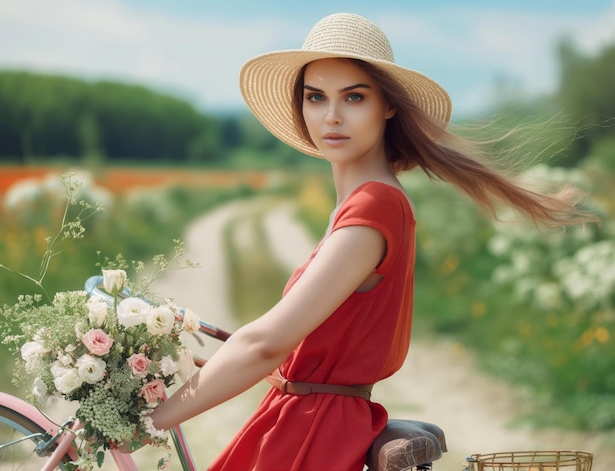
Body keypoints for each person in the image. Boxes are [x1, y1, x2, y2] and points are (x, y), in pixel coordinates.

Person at [144, 12, 596, 470]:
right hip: (298, 420)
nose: (332, 116)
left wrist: (150, 421)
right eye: (315, 97)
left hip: (314, 437)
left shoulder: (375, 208)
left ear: (388, 106)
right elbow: (291, 344)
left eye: (354, 97)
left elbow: (265, 345)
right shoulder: (360, 205)